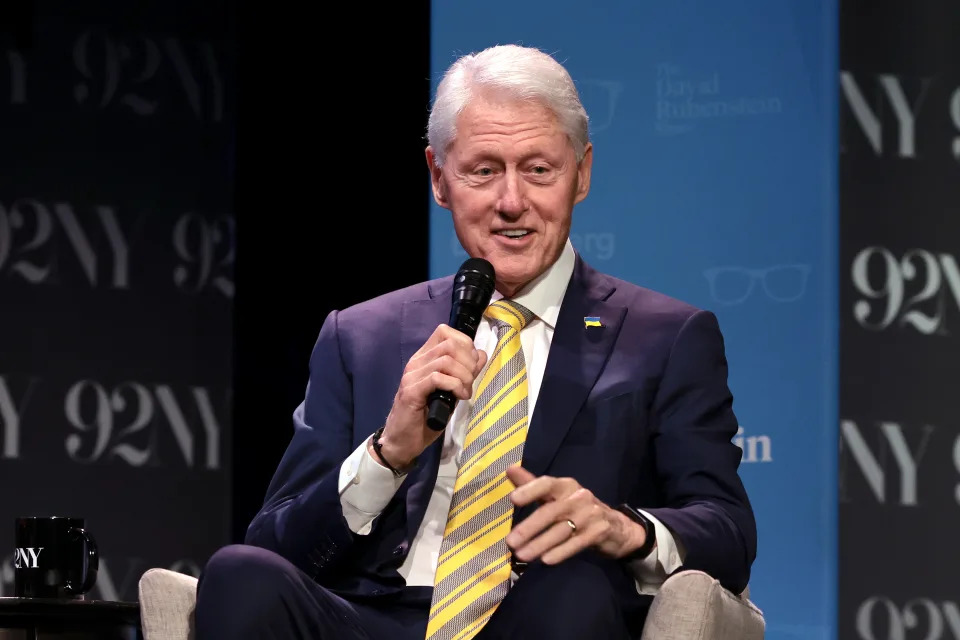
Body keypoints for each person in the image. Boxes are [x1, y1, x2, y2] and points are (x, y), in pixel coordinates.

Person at [194, 43, 756, 639]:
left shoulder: (666, 337)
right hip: (373, 619)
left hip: (539, 617)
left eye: (539, 169)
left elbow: (726, 530)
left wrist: (625, 529)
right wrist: (388, 454)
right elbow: (280, 544)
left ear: (582, 173)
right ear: (439, 178)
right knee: (239, 572)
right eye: (484, 170)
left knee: (574, 588)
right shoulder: (359, 335)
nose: (511, 202)